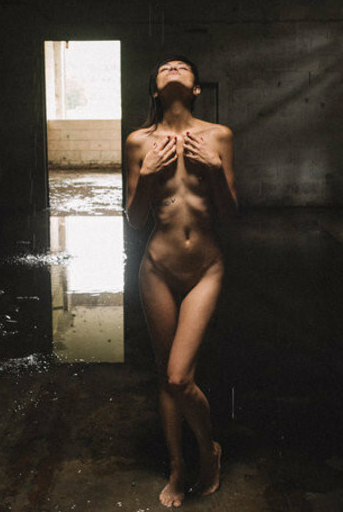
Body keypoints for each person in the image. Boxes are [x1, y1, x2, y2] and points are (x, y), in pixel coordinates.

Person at [125, 56, 238, 508]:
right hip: (158, 268)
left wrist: (214, 167)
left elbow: (230, 214)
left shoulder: (219, 136)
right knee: (165, 376)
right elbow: (135, 219)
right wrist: (147, 176)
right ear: (155, 89)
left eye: (182, 66)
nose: (173, 67)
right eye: (165, 67)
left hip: (206, 268)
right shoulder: (139, 142)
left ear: (196, 88)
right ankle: (177, 467)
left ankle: (208, 453)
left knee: (179, 375)